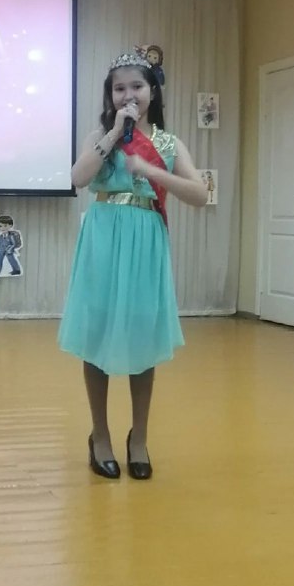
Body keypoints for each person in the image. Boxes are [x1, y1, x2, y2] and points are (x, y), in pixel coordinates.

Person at [58, 49, 207, 480]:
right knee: (97, 332)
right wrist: (113, 135)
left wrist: (153, 171)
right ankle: (100, 436)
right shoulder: (101, 136)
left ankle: (138, 437)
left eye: (137, 86)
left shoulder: (169, 143)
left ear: (152, 91)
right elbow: (78, 178)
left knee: (142, 335)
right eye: (119, 88)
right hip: (104, 238)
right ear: (110, 95)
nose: (129, 95)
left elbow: (199, 195)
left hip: (145, 241)